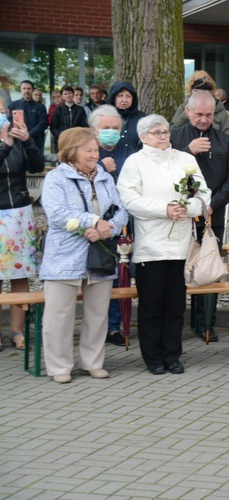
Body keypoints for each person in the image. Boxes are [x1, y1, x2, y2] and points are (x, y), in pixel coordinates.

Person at [117, 115, 211, 375]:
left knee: (175, 306)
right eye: (156, 133)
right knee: (151, 306)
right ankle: (153, 357)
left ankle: (172, 355)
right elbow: (129, 199)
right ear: (143, 137)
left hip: (181, 245)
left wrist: (188, 208)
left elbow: (203, 194)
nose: (163, 136)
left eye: (165, 132)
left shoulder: (185, 160)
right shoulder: (135, 162)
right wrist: (164, 209)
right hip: (151, 245)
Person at [39, 127, 129, 384]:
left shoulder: (104, 177)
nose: (94, 155)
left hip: (100, 252)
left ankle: (93, 362)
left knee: (98, 313)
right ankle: (59, 366)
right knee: (59, 314)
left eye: (95, 150)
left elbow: (121, 210)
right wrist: (92, 221)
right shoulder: (56, 178)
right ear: (71, 152)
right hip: (64, 255)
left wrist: (106, 228)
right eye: (88, 150)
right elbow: (56, 214)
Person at [171, 90, 229, 341]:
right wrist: (187, 151)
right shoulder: (174, 139)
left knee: (208, 267)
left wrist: (212, 204)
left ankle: (206, 323)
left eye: (208, 115)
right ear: (188, 111)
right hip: (179, 216)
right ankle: (175, 324)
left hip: (211, 217)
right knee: (178, 269)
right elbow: (161, 173)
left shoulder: (224, 140)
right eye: (198, 114)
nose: (203, 120)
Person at [89, 104, 138, 347]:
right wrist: (100, 169)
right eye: (106, 128)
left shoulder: (130, 152)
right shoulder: (87, 153)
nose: (111, 131)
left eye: (115, 128)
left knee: (122, 276)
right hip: (94, 226)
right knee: (99, 276)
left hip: (124, 224)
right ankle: (96, 327)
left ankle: (114, 327)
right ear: (95, 130)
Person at [0, 112, 45, 351]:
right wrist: (3, 147)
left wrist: (27, 140)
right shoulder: (6, 144)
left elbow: (37, 167)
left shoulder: (17, 139)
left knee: (21, 273)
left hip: (19, 212)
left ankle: (17, 331)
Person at [170, 71, 229, 137]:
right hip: (187, 145)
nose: (200, 94)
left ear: (211, 93)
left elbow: (228, 133)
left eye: (204, 91)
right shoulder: (183, 107)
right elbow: (172, 131)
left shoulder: (219, 108)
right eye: (196, 91)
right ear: (191, 92)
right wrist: (184, 116)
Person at [9, 80, 48, 155]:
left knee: (37, 165)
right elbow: (10, 123)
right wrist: (20, 135)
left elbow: (43, 124)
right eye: (24, 88)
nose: (26, 91)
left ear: (32, 90)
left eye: (29, 88)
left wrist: (28, 135)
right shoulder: (13, 105)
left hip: (36, 142)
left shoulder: (40, 107)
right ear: (20, 89)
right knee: (19, 165)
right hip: (18, 142)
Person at [106, 82, 146, 150]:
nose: (124, 100)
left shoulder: (143, 119)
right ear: (113, 98)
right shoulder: (104, 118)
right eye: (120, 96)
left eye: (128, 96)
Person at [50, 85, 88, 151]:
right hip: (62, 142)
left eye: (70, 93)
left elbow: (84, 125)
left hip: (76, 142)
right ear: (62, 96)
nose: (68, 95)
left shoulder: (80, 109)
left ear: (73, 94)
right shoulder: (58, 110)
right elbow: (53, 127)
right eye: (65, 94)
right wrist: (61, 136)